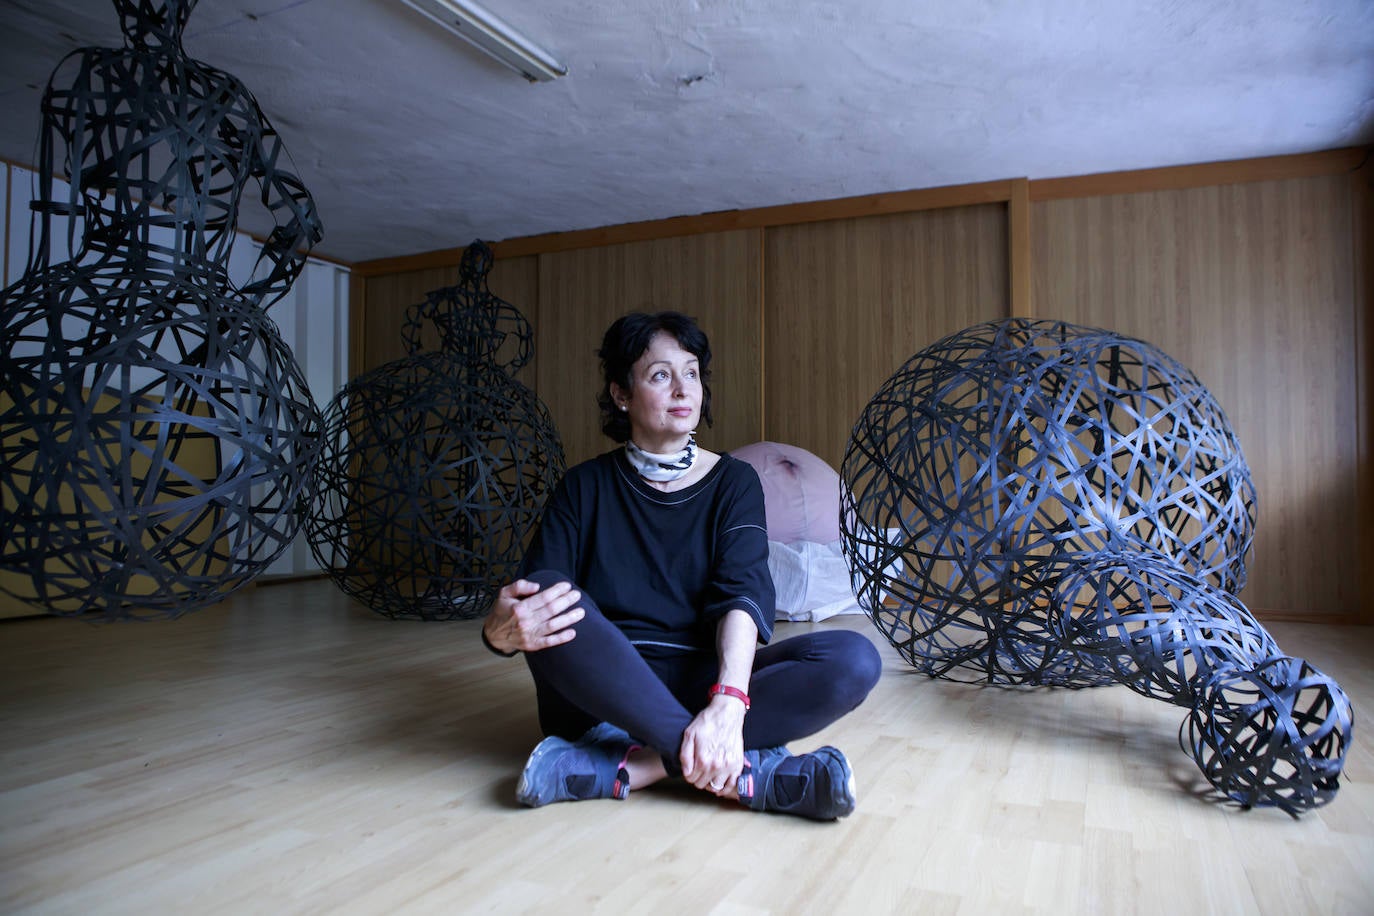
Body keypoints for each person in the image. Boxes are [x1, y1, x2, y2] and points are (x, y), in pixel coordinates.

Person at [481, 311, 882, 820]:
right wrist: (497, 634)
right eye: (660, 374)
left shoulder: (734, 482)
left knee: (853, 659)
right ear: (621, 395)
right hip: (602, 692)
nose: (681, 389)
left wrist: (730, 702)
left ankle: (636, 767)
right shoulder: (582, 488)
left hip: (704, 682)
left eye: (690, 373)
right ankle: (744, 775)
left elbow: (743, 592)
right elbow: (535, 601)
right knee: (546, 590)